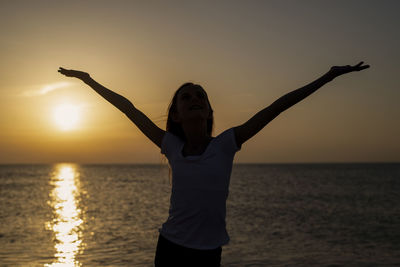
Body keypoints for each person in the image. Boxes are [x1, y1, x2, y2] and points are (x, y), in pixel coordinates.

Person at [58, 62, 369, 266]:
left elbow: (278, 106)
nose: (195, 98)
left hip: (209, 253)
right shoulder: (171, 146)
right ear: (177, 115)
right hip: (169, 249)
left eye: (201, 96)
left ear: (208, 111)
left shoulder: (226, 145)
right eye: (186, 97)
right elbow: (129, 108)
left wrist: (328, 76)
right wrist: (89, 81)